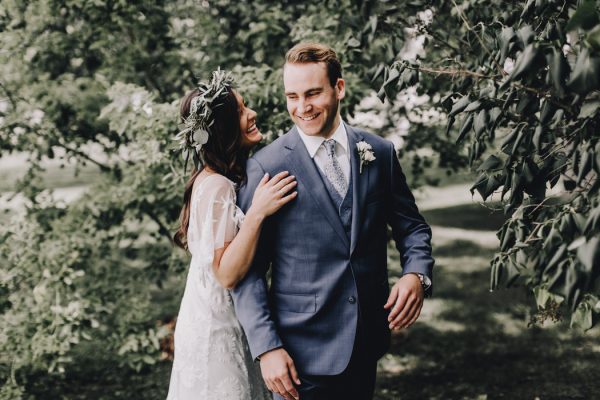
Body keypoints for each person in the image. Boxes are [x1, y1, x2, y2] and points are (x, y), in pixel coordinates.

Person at [231, 43, 435, 400]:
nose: (302, 107)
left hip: (366, 343)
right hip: (295, 357)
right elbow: (248, 272)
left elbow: (412, 227)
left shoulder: (379, 152)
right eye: (292, 96)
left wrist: (415, 274)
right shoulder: (266, 165)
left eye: (312, 93)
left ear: (339, 88)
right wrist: (266, 348)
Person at [166, 70, 297, 400]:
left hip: (217, 316)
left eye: (246, 105)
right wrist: (256, 214)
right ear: (222, 129)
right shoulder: (218, 186)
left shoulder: (212, 178)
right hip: (215, 327)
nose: (251, 114)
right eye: (240, 111)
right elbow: (225, 273)